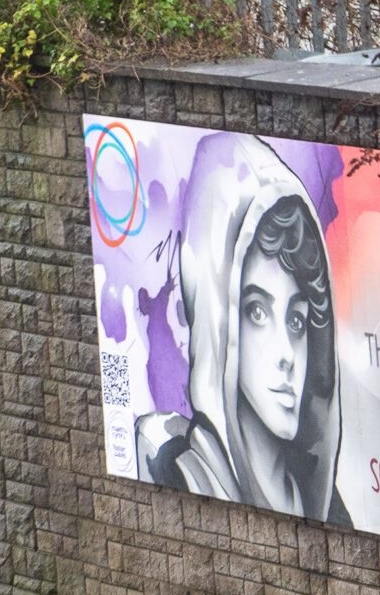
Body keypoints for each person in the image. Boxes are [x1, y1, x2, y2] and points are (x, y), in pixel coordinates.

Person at [135, 134, 349, 523]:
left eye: (297, 320)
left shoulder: (328, 505)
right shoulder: (177, 475)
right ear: (217, 315)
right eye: (257, 312)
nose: (286, 355)